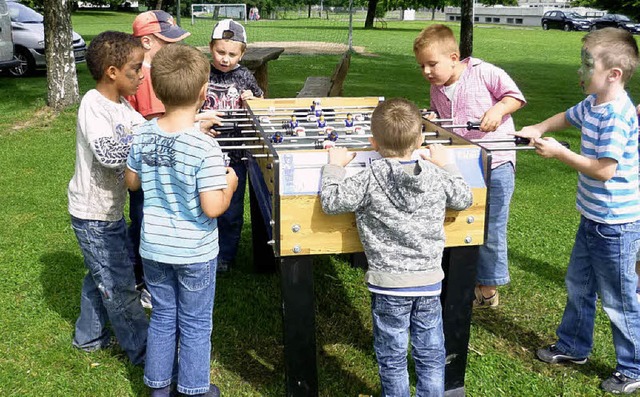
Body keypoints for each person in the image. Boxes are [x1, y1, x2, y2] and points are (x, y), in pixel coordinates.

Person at [516, 28, 640, 394]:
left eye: (587, 64)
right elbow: (568, 117)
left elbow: (604, 170)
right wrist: (539, 126)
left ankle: (633, 367)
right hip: (593, 218)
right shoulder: (594, 103)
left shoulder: (616, 115)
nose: (580, 71)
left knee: (619, 299)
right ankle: (573, 346)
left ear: (613, 74)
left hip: (616, 225)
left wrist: (560, 153)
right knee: (578, 286)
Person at [320, 98, 473, 395]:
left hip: (388, 285)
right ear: (420, 140)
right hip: (429, 282)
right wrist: (448, 164)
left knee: (392, 356)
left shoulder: (368, 178)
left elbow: (331, 201)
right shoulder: (436, 175)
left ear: (372, 142)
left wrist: (334, 167)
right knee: (430, 355)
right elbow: (463, 197)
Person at [126, 43, 238, 397]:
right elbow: (212, 207)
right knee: (195, 323)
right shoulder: (205, 147)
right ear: (204, 93)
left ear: (156, 89)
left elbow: (132, 182)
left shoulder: (142, 132)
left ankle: (158, 389)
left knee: (162, 317)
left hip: (154, 248)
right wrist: (231, 183)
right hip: (194, 252)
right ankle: (192, 389)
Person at [413, 24, 526, 308]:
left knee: (491, 225)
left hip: (496, 164)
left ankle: (487, 290)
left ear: (454, 58)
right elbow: (442, 118)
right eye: (422, 66)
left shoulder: (484, 72)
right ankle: (456, 274)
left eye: (432, 64)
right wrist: (432, 117)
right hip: (461, 165)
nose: (426, 71)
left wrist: (498, 109)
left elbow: (515, 97)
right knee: (460, 217)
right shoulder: (436, 87)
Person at [67, 30, 148, 365]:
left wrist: (186, 123)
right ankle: (144, 352)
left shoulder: (124, 107)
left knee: (100, 273)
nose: (142, 75)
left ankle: (88, 339)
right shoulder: (93, 104)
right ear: (112, 72)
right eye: (136, 69)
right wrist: (145, 142)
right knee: (118, 282)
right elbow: (110, 153)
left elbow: (150, 130)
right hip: (92, 215)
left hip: (109, 212)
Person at [125, 10, 191, 310]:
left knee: (142, 218)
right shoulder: (150, 75)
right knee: (145, 219)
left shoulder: (143, 71)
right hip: (149, 164)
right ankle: (145, 281)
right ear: (148, 41)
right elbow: (159, 123)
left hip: (141, 161)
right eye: (168, 42)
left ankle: (136, 274)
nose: (174, 48)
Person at [201, 18, 263, 272]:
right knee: (204, 201)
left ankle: (225, 256)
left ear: (242, 53)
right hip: (206, 149)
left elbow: (261, 102)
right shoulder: (203, 72)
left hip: (236, 153)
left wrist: (254, 98)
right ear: (210, 47)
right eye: (220, 52)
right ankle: (204, 249)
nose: (225, 59)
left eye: (232, 54)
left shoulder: (245, 76)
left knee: (232, 208)